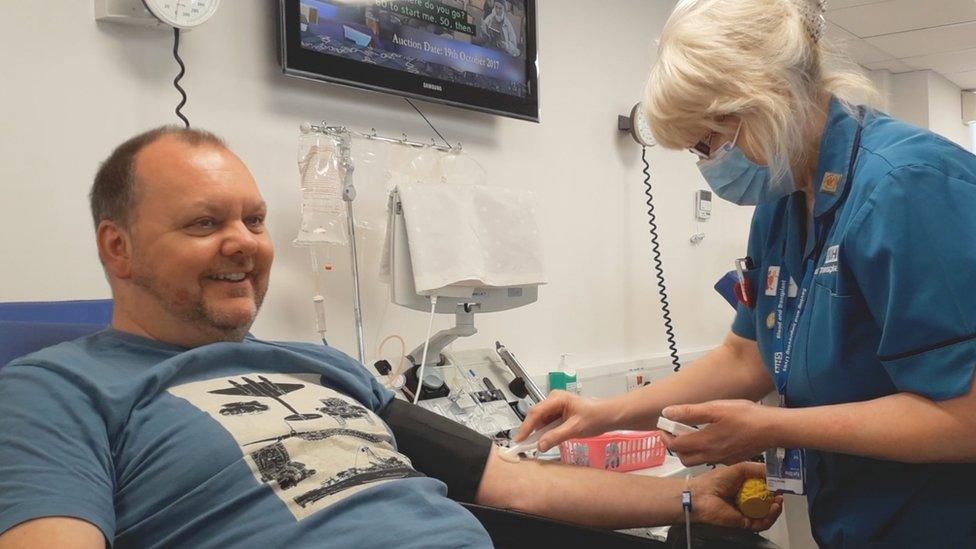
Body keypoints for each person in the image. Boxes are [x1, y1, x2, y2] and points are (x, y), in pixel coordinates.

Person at [0, 127, 780, 548]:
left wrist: (685, 494)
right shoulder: (57, 390)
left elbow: (513, 482)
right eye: (205, 223)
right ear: (118, 247)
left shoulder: (319, 365)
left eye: (256, 219)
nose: (244, 242)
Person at [516, 0, 976, 547]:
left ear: (765, 101)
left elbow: (965, 415)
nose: (708, 165)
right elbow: (748, 353)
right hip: (860, 516)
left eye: (708, 144)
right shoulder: (783, 203)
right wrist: (607, 412)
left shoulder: (908, 185)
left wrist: (771, 427)